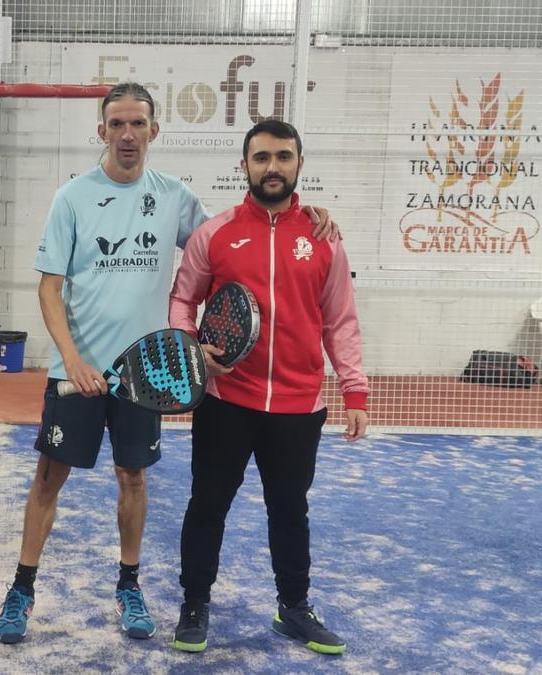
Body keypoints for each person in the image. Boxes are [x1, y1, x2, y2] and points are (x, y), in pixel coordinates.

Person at [0, 83, 338, 645]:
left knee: (133, 479)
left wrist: (304, 215)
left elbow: (229, 245)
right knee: (48, 480)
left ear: (154, 131)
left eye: (138, 124)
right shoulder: (72, 198)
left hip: (147, 373)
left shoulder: (175, 197)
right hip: (76, 372)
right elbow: (49, 290)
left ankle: (129, 586)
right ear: (102, 131)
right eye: (117, 124)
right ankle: (22, 589)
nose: (127, 134)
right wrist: (73, 361)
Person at [167, 119, 368, 655]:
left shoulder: (323, 238)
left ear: (299, 163)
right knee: (207, 505)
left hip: (299, 406)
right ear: (245, 166)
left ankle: (294, 608)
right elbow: (184, 300)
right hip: (226, 401)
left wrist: (354, 389)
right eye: (261, 158)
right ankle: (194, 604)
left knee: (290, 509)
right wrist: (194, 350)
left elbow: (340, 319)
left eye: (283, 157)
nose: (272, 167)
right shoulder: (216, 233)